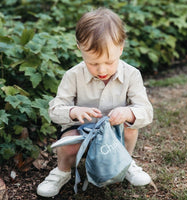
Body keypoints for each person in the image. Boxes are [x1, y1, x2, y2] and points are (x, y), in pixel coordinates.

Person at [37, 7, 153, 198]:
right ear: (79, 49)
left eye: (109, 61)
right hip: (82, 132)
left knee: (131, 127)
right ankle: (62, 171)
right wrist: (74, 111)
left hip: (114, 133)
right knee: (67, 143)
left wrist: (128, 113)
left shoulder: (132, 75)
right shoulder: (73, 76)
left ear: (121, 48)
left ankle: (125, 162)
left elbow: (146, 111)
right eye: (92, 63)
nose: (101, 69)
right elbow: (55, 110)